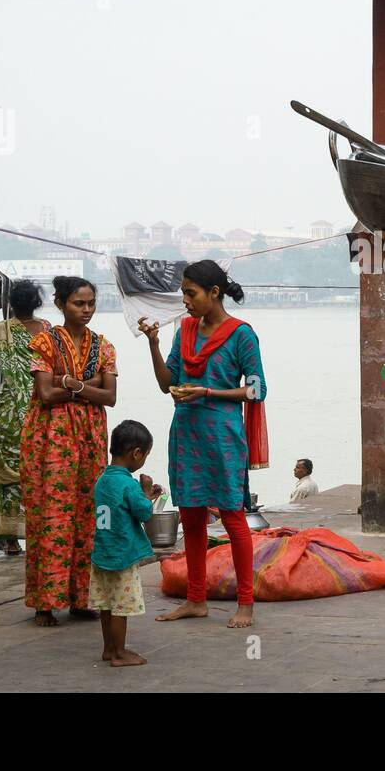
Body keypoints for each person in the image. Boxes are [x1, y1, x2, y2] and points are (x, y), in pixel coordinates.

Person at [138, 260, 267, 629]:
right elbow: (168, 383)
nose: (185, 301)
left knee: (232, 517)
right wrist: (153, 344)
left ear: (214, 293)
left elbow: (257, 389)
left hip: (223, 436)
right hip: (187, 432)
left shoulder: (242, 334)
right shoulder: (185, 330)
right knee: (191, 518)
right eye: (183, 293)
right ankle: (196, 599)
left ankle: (246, 603)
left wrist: (208, 391)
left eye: (190, 294)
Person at [20, 276, 118, 627]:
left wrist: (70, 384)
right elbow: (45, 395)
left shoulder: (103, 345)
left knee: (87, 516)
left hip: (90, 438)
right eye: (79, 303)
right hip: (51, 438)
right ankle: (44, 604)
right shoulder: (44, 342)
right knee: (50, 515)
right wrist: (87, 386)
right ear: (61, 304)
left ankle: (81, 598)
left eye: (91, 303)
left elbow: (111, 397)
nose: (87, 310)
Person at [0, 280, 50, 556]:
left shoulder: (0, 330)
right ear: (37, 304)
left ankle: (11, 540)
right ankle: (41, 534)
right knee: (39, 471)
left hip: (8, 412)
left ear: (10, 304)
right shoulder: (47, 329)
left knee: (7, 476)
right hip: (39, 407)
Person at [92, 420, 162, 667]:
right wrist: (144, 491)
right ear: (136, 453)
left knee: (106, 604)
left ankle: (109, 648)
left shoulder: (102, 480)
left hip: (102, 552)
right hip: (122, 555)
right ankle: (120, 653)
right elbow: (143, 513)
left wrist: (144, 496)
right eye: (145, 455)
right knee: (120, 606)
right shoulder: (128, 483)